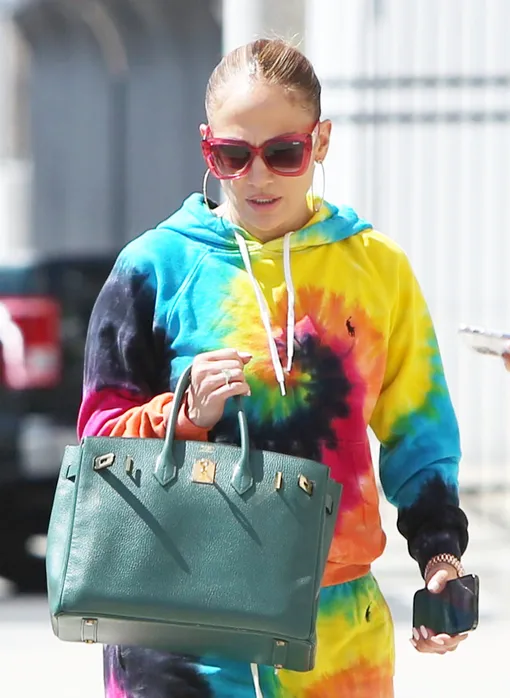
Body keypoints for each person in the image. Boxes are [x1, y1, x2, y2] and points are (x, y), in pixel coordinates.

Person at [78, 39, 470, 698]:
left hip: (335, 638)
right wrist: (182, 414)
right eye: (232, 156)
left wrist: (440, 558)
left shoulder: (376, 271)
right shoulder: (153, 268)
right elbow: (95, 447)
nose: (257, 177)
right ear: (207, 148)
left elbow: (420, 437)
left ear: (321, 141)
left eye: (284, 153)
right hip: (177, 637)